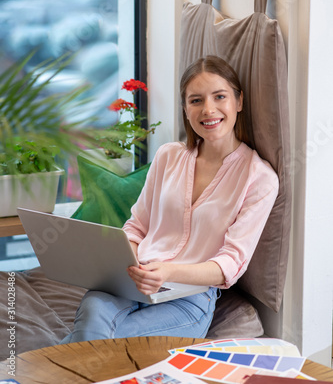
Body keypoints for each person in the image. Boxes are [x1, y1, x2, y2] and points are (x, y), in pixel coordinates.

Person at [61, 55, 279, 343]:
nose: (208, 109)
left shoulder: (259, 178)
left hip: (189, 299)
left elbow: (230, 265)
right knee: (93, 318)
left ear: (238, 102)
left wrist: (167, 272)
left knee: (98, 342)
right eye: (196, 100)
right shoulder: (168, 155)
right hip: (130, 282)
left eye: (220, 96)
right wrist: (125, 260)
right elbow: (136, 227)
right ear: (185, 109)